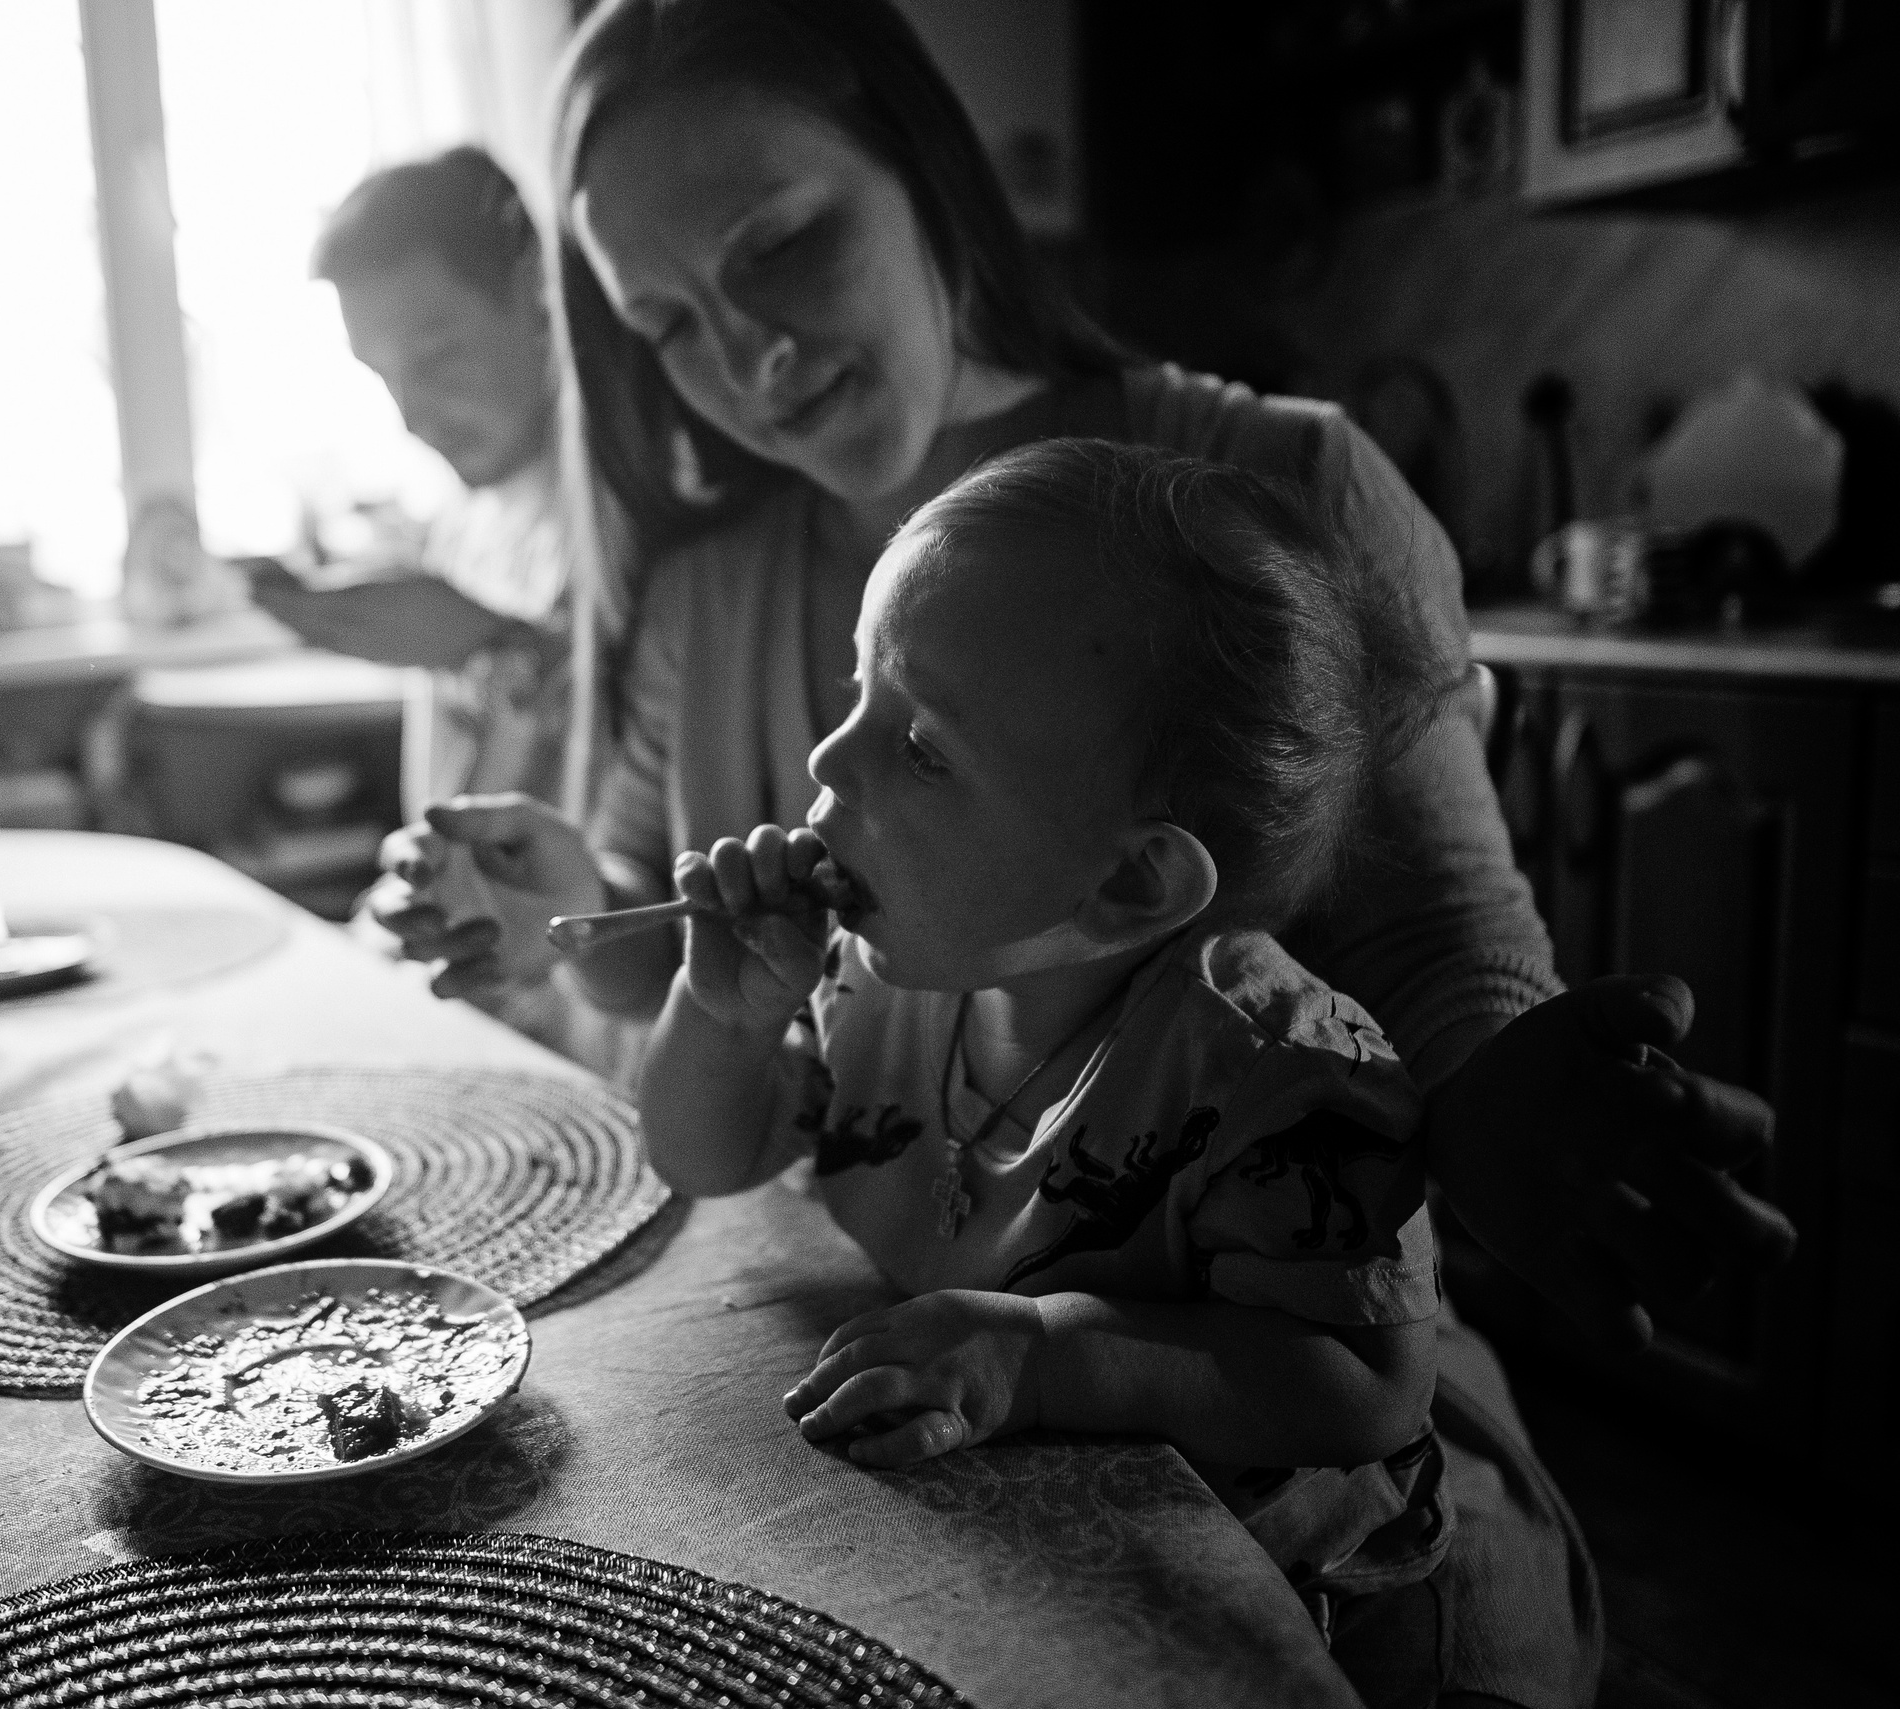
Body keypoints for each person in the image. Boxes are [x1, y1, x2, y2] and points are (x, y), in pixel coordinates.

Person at [370, 2, 1791, 1703]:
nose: (748, 362)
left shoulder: (1270, 483)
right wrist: (556, 917)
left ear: (928, 175)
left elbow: (1439, 951)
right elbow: (682, 952)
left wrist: (1505, 1086)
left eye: (787, 246)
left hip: (1268, 1423)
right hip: (913, 1356)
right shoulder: (706, 583)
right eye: (667, 323)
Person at [644, 438, 1457, 1668]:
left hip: (1260, 1603)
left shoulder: (1282, 1079)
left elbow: (1364, 1383)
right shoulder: (878, 969)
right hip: (976, 1530)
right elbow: (703, 1156)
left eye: (922, 747)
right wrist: (724, 1015)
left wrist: (1049, 1354)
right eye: (857, 685)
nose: (824, 760)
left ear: (1131, 879)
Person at [251, 145, 567, 814]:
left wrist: (496, 643)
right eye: (382, 376)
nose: (411, 416)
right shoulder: (460, 521)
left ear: (532, 292)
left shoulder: (624, 514)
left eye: (437, 356)